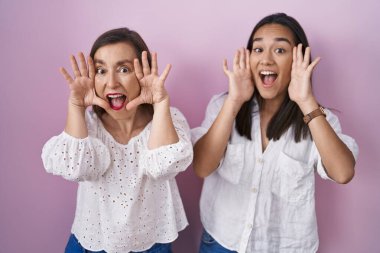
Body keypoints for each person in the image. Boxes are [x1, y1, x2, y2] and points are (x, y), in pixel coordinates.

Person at [192, 13, 359, 253]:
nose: (266, 60)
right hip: (222, 242)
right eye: (258, 49)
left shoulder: (318, 119)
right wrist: (235, 101)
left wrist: (306, 100)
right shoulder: (223, 106)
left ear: (298, 59)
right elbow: (202, 167)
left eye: (280, 50)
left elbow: (343, 173)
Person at [41, 28, 193, 253]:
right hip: (92, 244)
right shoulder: (88, 127)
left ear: (144, 73)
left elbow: (164, 166)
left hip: (152, 245)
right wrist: (76, 106)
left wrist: (161, 103)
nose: (111, 83)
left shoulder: (168, 119)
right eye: (101, 70)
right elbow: (74, 167)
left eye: (124, 69)